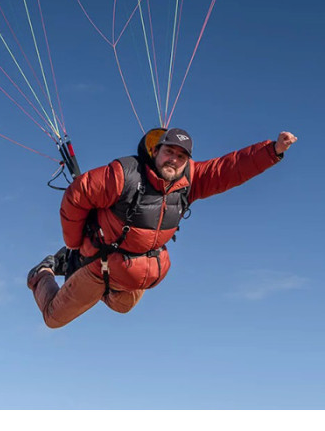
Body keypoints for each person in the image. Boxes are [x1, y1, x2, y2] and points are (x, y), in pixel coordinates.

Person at [27, 127, 298, 328]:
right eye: (169, 151)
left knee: (123, 308)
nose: (174, 160)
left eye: (181, 156)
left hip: (133, 273)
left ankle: (74, 263)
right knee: (54, 317)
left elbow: (228, 169)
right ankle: (45, 271)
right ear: (155, 151)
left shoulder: (190, 180)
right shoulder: (125, 174)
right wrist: (75, 242)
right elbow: (77, 195)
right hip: (99, 265)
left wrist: (272, 151)